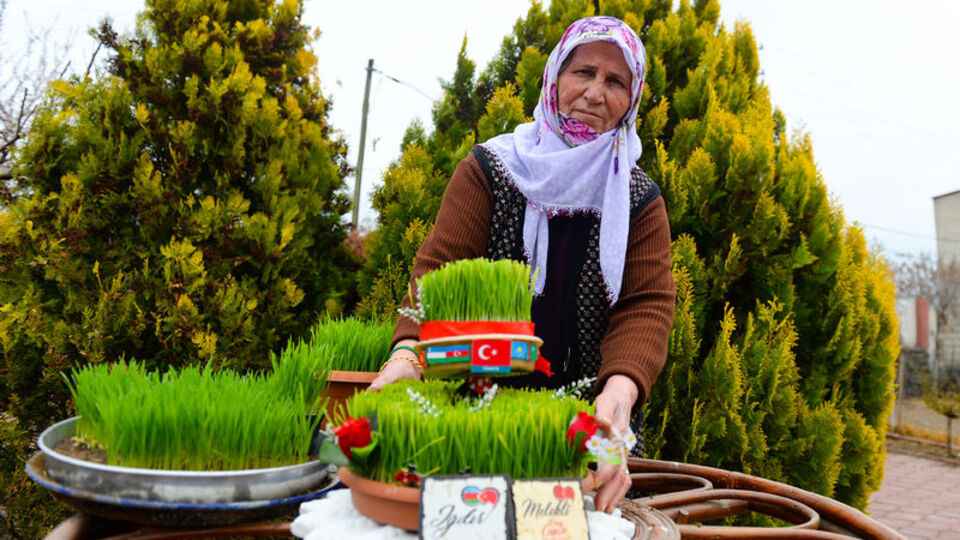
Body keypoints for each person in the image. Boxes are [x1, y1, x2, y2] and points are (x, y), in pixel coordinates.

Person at [369, 16, 675, 513]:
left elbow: (646, 306)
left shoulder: (637, 198)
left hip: (584, 425)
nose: (595, 94)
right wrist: (407, 355)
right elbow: (437, 271)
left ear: (632, 100)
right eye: (584, 73)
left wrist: (619, 396)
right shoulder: (493, 169)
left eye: (615, 81)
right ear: (554, 78)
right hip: (473, 410)